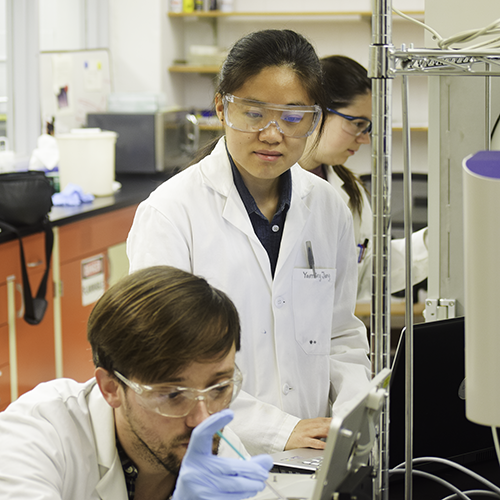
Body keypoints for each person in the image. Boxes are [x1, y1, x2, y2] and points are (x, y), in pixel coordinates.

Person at [127, 29, 371, 456]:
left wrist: (350, 415)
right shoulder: (171, 213)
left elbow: (340, 335)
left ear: (315, 119)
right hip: (214, 452)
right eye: (254, 114)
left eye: (293, 117)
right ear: (222, 106)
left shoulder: (329, 208)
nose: (273, 134)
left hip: (314, 451)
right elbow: (164, 363)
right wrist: (278, 432)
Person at [0, 266, 273, 500]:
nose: (202, 420)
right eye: (173, 394)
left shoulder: (219, 452)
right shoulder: (37, 436)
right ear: (111, 388)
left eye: (219, 388)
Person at [299, 55, 428, 302]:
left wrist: (436, 242)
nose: (365, 139)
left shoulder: (350, 189)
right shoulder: (270, 183)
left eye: (367, 127)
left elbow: (367, 272)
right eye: (358, 124)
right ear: (316, 112)